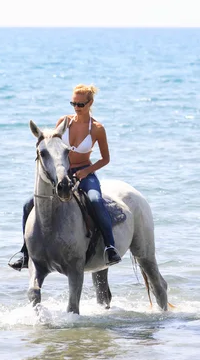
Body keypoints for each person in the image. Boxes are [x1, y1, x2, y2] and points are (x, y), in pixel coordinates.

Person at [9, 84, 121, 270]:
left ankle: (109, 247)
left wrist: (86, 171)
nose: (76, 108)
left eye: (80, 104)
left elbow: (106, 159)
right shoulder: (64, 122)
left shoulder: (97, 129)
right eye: (73, 103)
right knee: (28, 204)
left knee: (94, 199)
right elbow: (52, 148)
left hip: (85, 173)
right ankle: (24, 252)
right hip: (62, 173)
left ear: (90, 103)